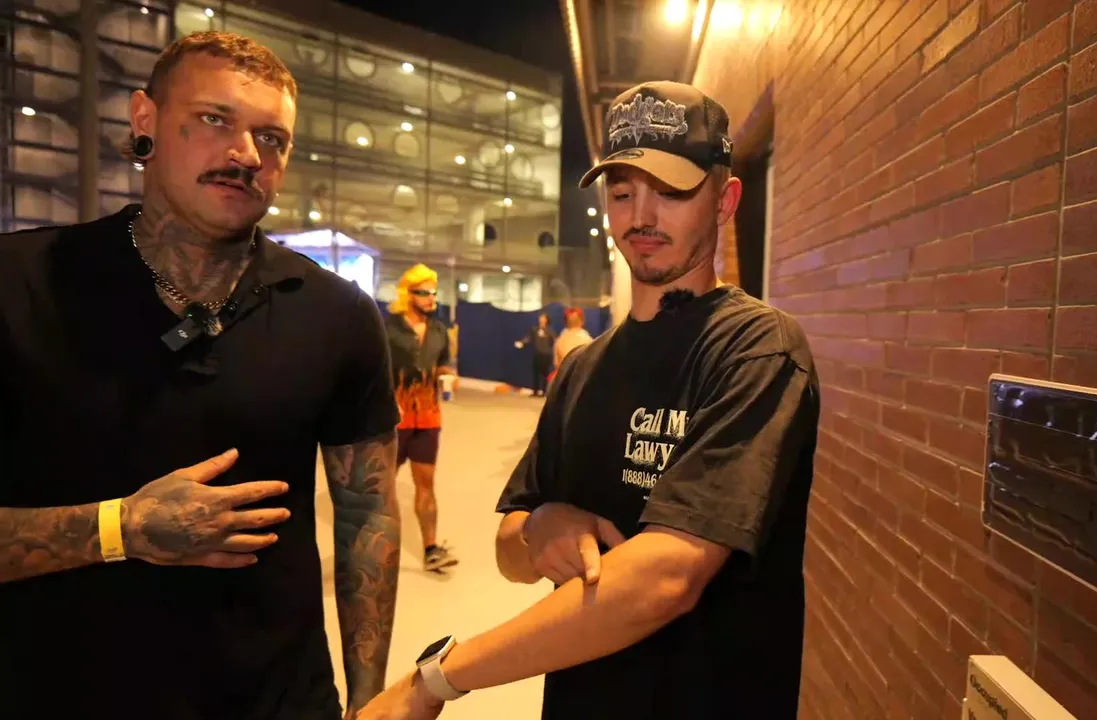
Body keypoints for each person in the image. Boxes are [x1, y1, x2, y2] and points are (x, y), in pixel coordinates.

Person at [357, 80, 819, 720]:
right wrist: (542, 524)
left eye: (671, 191)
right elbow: (510, 549)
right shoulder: (582, 369)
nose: (641, 216)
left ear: (725, 200)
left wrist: (437, 678)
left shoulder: (757, 349)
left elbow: (667, 577)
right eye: (623, 193)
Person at [0, 32, 402, 720]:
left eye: (272, 139)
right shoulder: (20, 285)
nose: (246, 155)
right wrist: (120, 528)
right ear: (145, 119)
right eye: (215, 119)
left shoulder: (337, 314)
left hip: (280, 702)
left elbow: (367, 513)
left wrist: (371, 700)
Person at [384, 264, 458, 572]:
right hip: (393, 419)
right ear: (408, 293)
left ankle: (431, 549)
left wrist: (448, 376)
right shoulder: (388, 328)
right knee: (382, 485)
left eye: (433, 292)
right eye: (424, 292)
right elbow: (374, 368)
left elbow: (444, 365)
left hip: (428, 417)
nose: (431, 298)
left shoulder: (439, 331)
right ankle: (376, 547)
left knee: (426, 484)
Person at [514, 312, 556, 396]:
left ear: (546, 320)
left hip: (546, 355)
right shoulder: (535, 329)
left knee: (545, 374)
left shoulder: (550, 330)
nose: (541, 319)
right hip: (537, 354)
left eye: (543, 318)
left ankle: (544, 392)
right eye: (540, 318)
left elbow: (554, 341)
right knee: (536, 373)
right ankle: (535, 391)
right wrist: (522, 342)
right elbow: (529, 338)